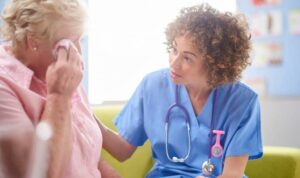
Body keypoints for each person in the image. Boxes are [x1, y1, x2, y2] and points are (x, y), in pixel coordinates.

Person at [100, 3, 263, 178]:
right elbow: (122, 150)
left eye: (187, 58)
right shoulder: (153, 86)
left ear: (217, 62)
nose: (173, 63)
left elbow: (232, 174)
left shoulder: (242, 101)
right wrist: (80, 110)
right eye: (174, 49)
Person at [0, 0, 120, 178]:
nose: (77, 52)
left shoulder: (62, 70)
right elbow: (38, 173)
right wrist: (59, 96)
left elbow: (85, 154)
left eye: (80, 41)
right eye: (70, 42)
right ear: (33, 40)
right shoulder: (5, 87)